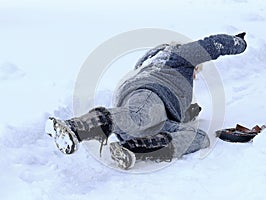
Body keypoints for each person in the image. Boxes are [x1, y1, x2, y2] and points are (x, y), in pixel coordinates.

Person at [45, 32, 247, 170]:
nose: (194, 74)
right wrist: (237, 43)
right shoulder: (175, 56)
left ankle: (134, 149)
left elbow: (177, 113)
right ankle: (76, 128)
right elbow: (210, 45)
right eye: (196, 69)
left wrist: (190, 112)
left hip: (148, 122)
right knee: (140, 115)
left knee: (199, 138)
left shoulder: (174, 78)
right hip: (149, 93)